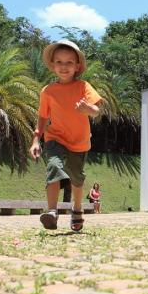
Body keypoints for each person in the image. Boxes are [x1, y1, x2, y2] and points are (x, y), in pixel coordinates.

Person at [30, 39, 103, 232]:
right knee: (53, 166)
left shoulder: (83, 86)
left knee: (76, 179)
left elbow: (96, 110)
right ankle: (52, 212)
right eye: (59, 62)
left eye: (69, 62)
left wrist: (88, 108)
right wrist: (36, 139)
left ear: (77, 66)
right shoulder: (48, 91)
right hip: (55, 138)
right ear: (53, 65)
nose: (64, 67)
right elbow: (43, 117)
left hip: (79, 143)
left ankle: (77, 210)